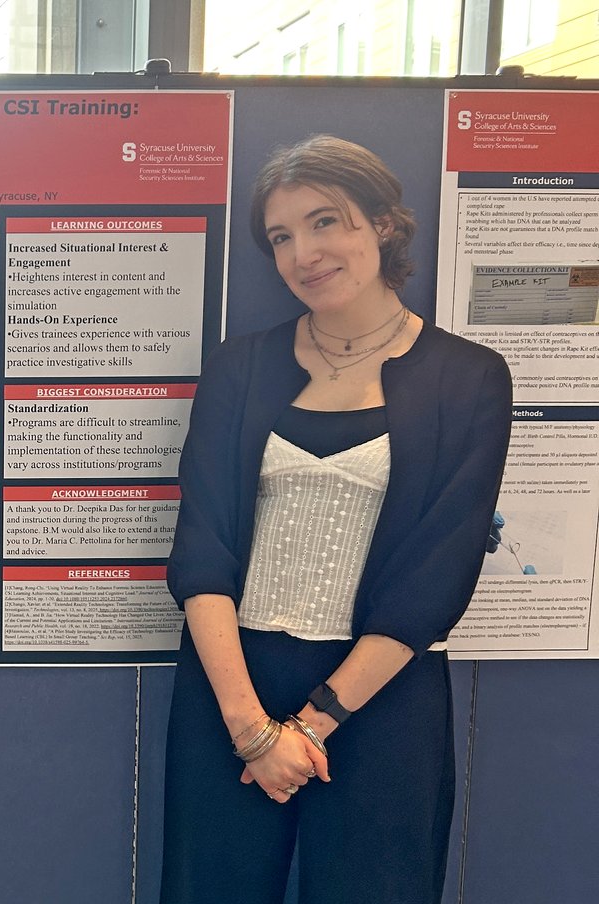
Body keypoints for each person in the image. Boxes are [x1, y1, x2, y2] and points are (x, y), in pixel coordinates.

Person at [160, 135, 512, 904]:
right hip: (232, 688)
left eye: (326, 222)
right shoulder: (239, 366)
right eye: (281, 237)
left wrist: (313, 726)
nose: (303, 254)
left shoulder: (469, 378)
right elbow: (203, 548)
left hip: (383, 698)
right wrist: (252, 729)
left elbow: (437, 574)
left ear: (383, 224)